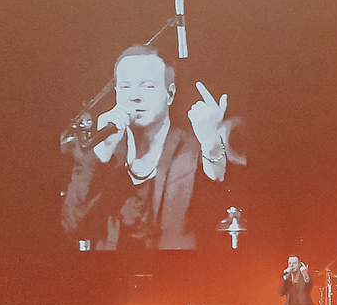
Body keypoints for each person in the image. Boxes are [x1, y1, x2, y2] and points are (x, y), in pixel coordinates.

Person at [61, 43, 234, 250]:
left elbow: (218, 199)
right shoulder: (100, 153)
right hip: (110, 275)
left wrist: (211, 144)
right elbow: (74, 227)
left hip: (177, 274)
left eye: (148, 86)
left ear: (170, 94)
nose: (135, 96)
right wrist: (100, 155)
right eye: (125, 86)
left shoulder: (191, 147)